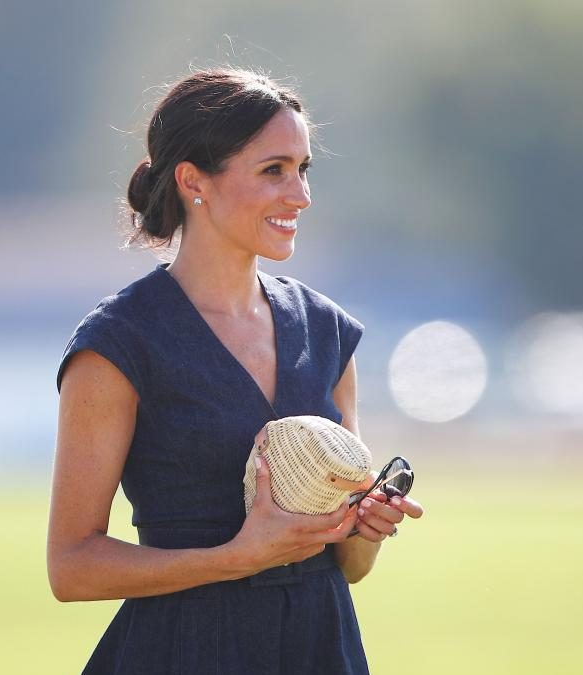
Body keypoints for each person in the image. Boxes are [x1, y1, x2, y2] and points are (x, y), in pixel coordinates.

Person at [47, 67, 424, 674]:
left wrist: (365, 528)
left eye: (303, 170)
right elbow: (71, 567)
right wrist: (236, 557)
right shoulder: (118, 345)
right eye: (273, 170)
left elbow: (349, 568)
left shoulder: (326, 331)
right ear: (194, 181)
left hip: (319, 649)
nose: (299, 195)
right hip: (184, 651)